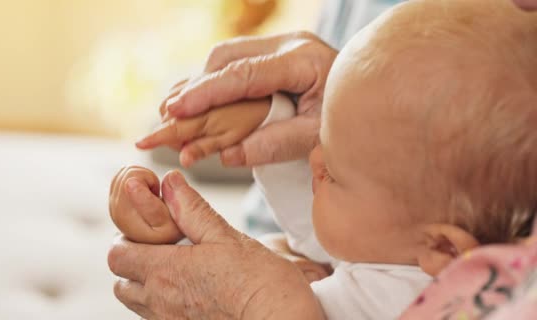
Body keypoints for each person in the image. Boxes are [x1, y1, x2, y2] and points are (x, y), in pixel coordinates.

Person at [108, 0, 537, 319]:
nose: (314, 158)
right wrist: (274, 114)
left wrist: (177, 237)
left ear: (442, 246)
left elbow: (243, 291)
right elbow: (311, 234)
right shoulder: (405, 240)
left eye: (333, 171)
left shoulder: (374, 298)